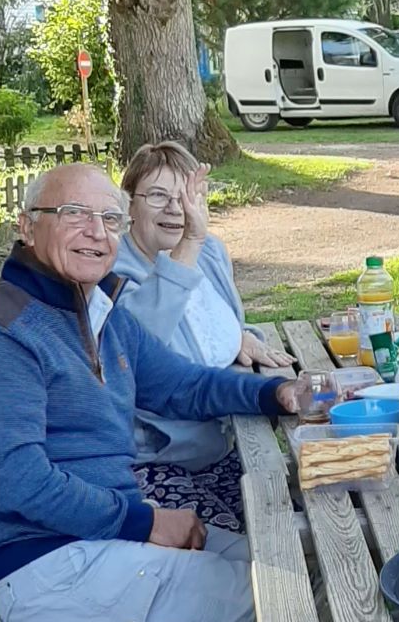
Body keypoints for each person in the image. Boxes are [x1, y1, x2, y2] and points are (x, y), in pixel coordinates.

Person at [0, 161, 303, 622]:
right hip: (44, 564)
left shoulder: (95, 312)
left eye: (110, 219)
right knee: (285, 601)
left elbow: (183, 385)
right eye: (74, 214)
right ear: (27, 226)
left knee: (283, 558)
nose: (96, 232)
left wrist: (280, 392)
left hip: (101, 538)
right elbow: (18, 483)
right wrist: (145, 522)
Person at [112, 140, 292, 531]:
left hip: (225, 443)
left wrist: (241, 335)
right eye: (158, 196)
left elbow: (212, 323)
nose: (176, 209)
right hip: (159, 460)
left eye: (187, 196)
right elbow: (140, 345)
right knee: (254, 544)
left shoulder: (210, 251)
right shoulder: (112, 272)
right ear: (129, 205)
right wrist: (189, 244)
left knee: (289, 516)